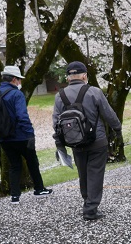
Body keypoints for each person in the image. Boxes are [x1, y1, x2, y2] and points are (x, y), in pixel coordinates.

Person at [52, 61, 122, 221]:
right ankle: (90, 209)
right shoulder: (94, 92)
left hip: (75, 141)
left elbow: (56, 122)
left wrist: (60, 142)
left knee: (83, 173)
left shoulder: (60, 96)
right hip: (97, 141)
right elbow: (108, 114)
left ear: (68, 77)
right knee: (95, 173)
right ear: (84, 75)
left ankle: (87, 201)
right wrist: (117, 129)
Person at [0, 65, 52, 204]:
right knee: (32, 161)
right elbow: (22, 116)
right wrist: (30, 134)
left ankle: (15, 196)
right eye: (19, 79)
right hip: (20, 136)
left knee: (14, 165)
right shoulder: (16, 94)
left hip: (3, 137)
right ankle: (39, 188)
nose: (20, 82)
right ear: (14, 79)